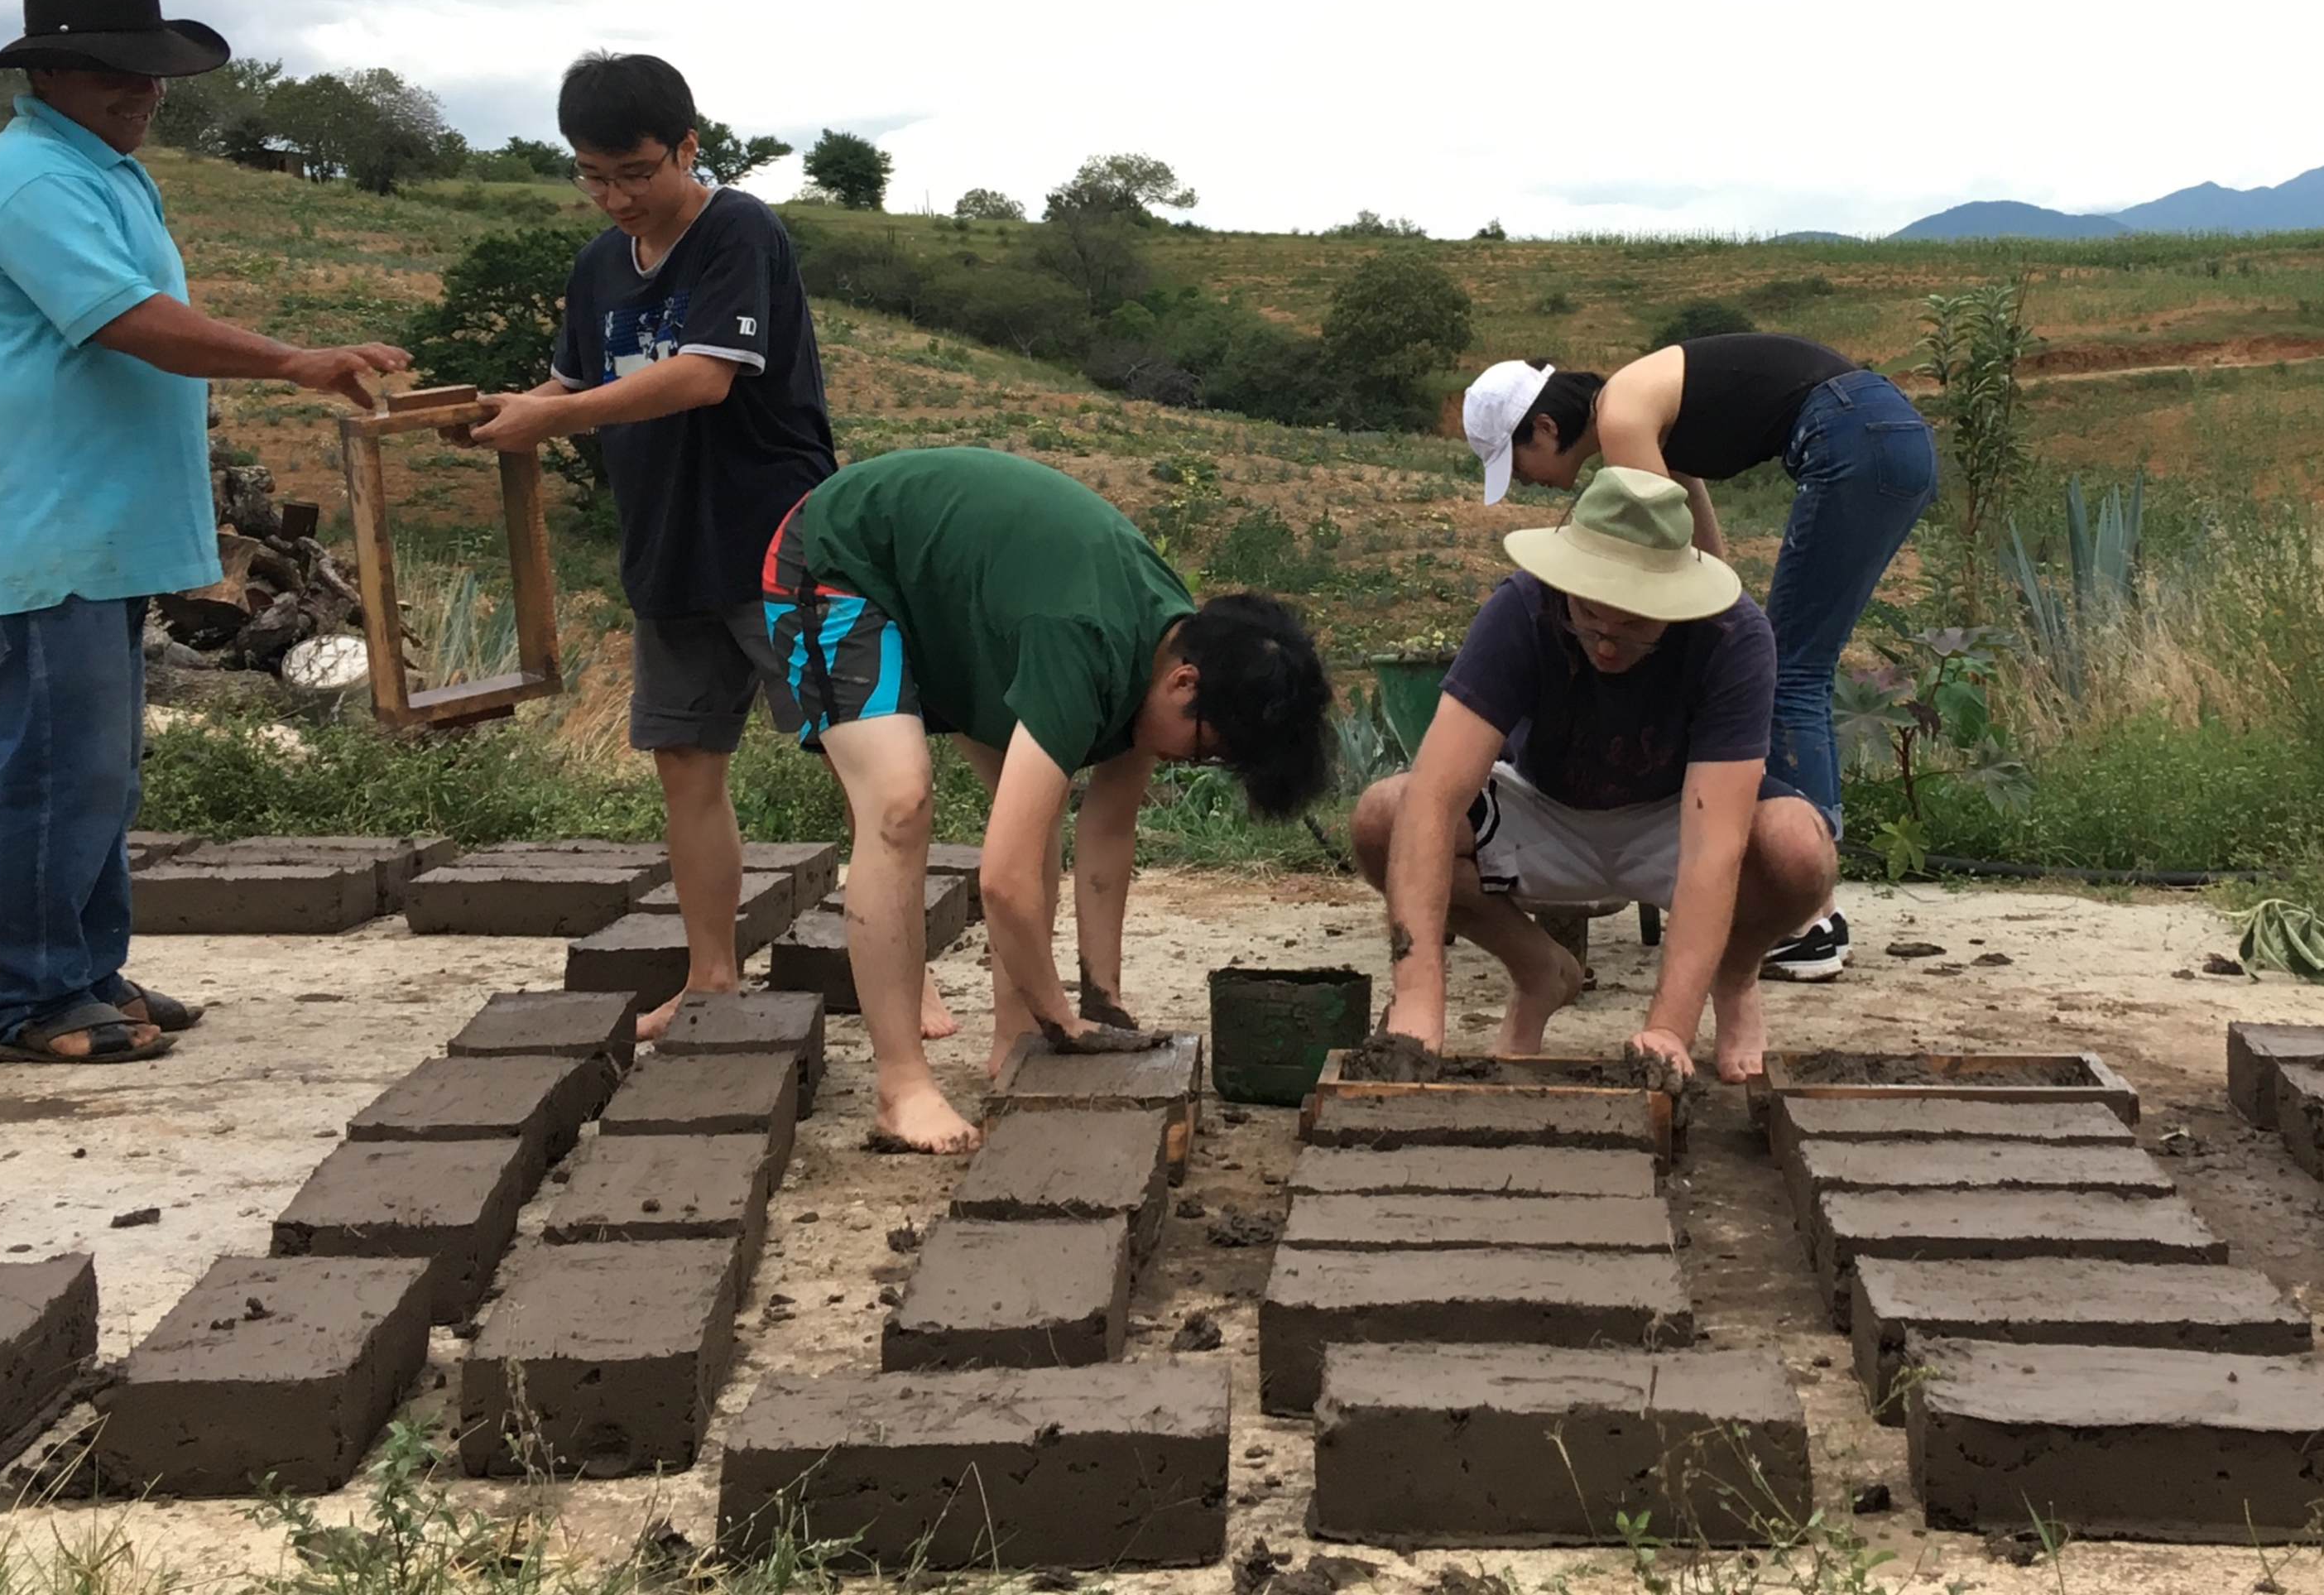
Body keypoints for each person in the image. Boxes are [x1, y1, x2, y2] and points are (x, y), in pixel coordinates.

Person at [0, 0, 410, 1064]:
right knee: (57, 761)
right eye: (114, 69)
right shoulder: (40, 180)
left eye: (150, 70)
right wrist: (295, 360)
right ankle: (31, 1000)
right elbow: (126, 320)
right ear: (46, 73)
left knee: (97, 760)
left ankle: (86, 971)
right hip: (40, 527)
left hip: (87, 532)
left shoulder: (96, 167)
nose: (141, 90)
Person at [761, 446, 1334, 1151]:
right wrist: (1062, 1015)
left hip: (955, 597)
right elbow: (1001, 882)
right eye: (1207, 749)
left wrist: (1105, 1006)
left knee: (1028, 812)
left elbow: (1108, 834)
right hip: (839, 559)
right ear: (1184, 683)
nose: (1197, 763)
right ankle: (901, 1088)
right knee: (899, 805)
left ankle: (1013, 1037)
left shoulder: (1172, 645)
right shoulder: (1087, 643)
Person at [469, 52, 847, 1043]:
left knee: (856, 753)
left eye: (636, 172)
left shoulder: (738, 229)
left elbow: (702, 377)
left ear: (688, 146)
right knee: (685, 761)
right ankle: (712, 976)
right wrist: (504, 413)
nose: (616, 196)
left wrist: (549, 421)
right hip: (665, 546)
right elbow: (568, 384)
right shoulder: (598, 265)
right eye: (592, 176)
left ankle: (901, 973)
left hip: (775, 539)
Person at [1457, 331, 1935, 983]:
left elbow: (1656, 572)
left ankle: (1808, 916)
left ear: (1544, 426)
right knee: (1793, 661)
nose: (1528, 484)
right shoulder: (1642, 413)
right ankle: (1806, 907)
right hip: (1881, 429)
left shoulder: (1624, 419)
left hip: (1852, 435)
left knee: (1789, 670)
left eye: (1519, 464)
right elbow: (1702, 566)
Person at [1353, 467, 1835, 1081]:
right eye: (1588, 617)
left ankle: (1735, 977)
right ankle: (1538, 969)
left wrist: (1667, 1029)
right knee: (1382, 818)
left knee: (1801, 849)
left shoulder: (1733, 638)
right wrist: (1418, 1006)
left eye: (1632, 624)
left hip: (1674, 819)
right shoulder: (1524, 607)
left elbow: (1714, 848)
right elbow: (1435, 797)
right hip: (1544, 807)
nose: (1605, 645)